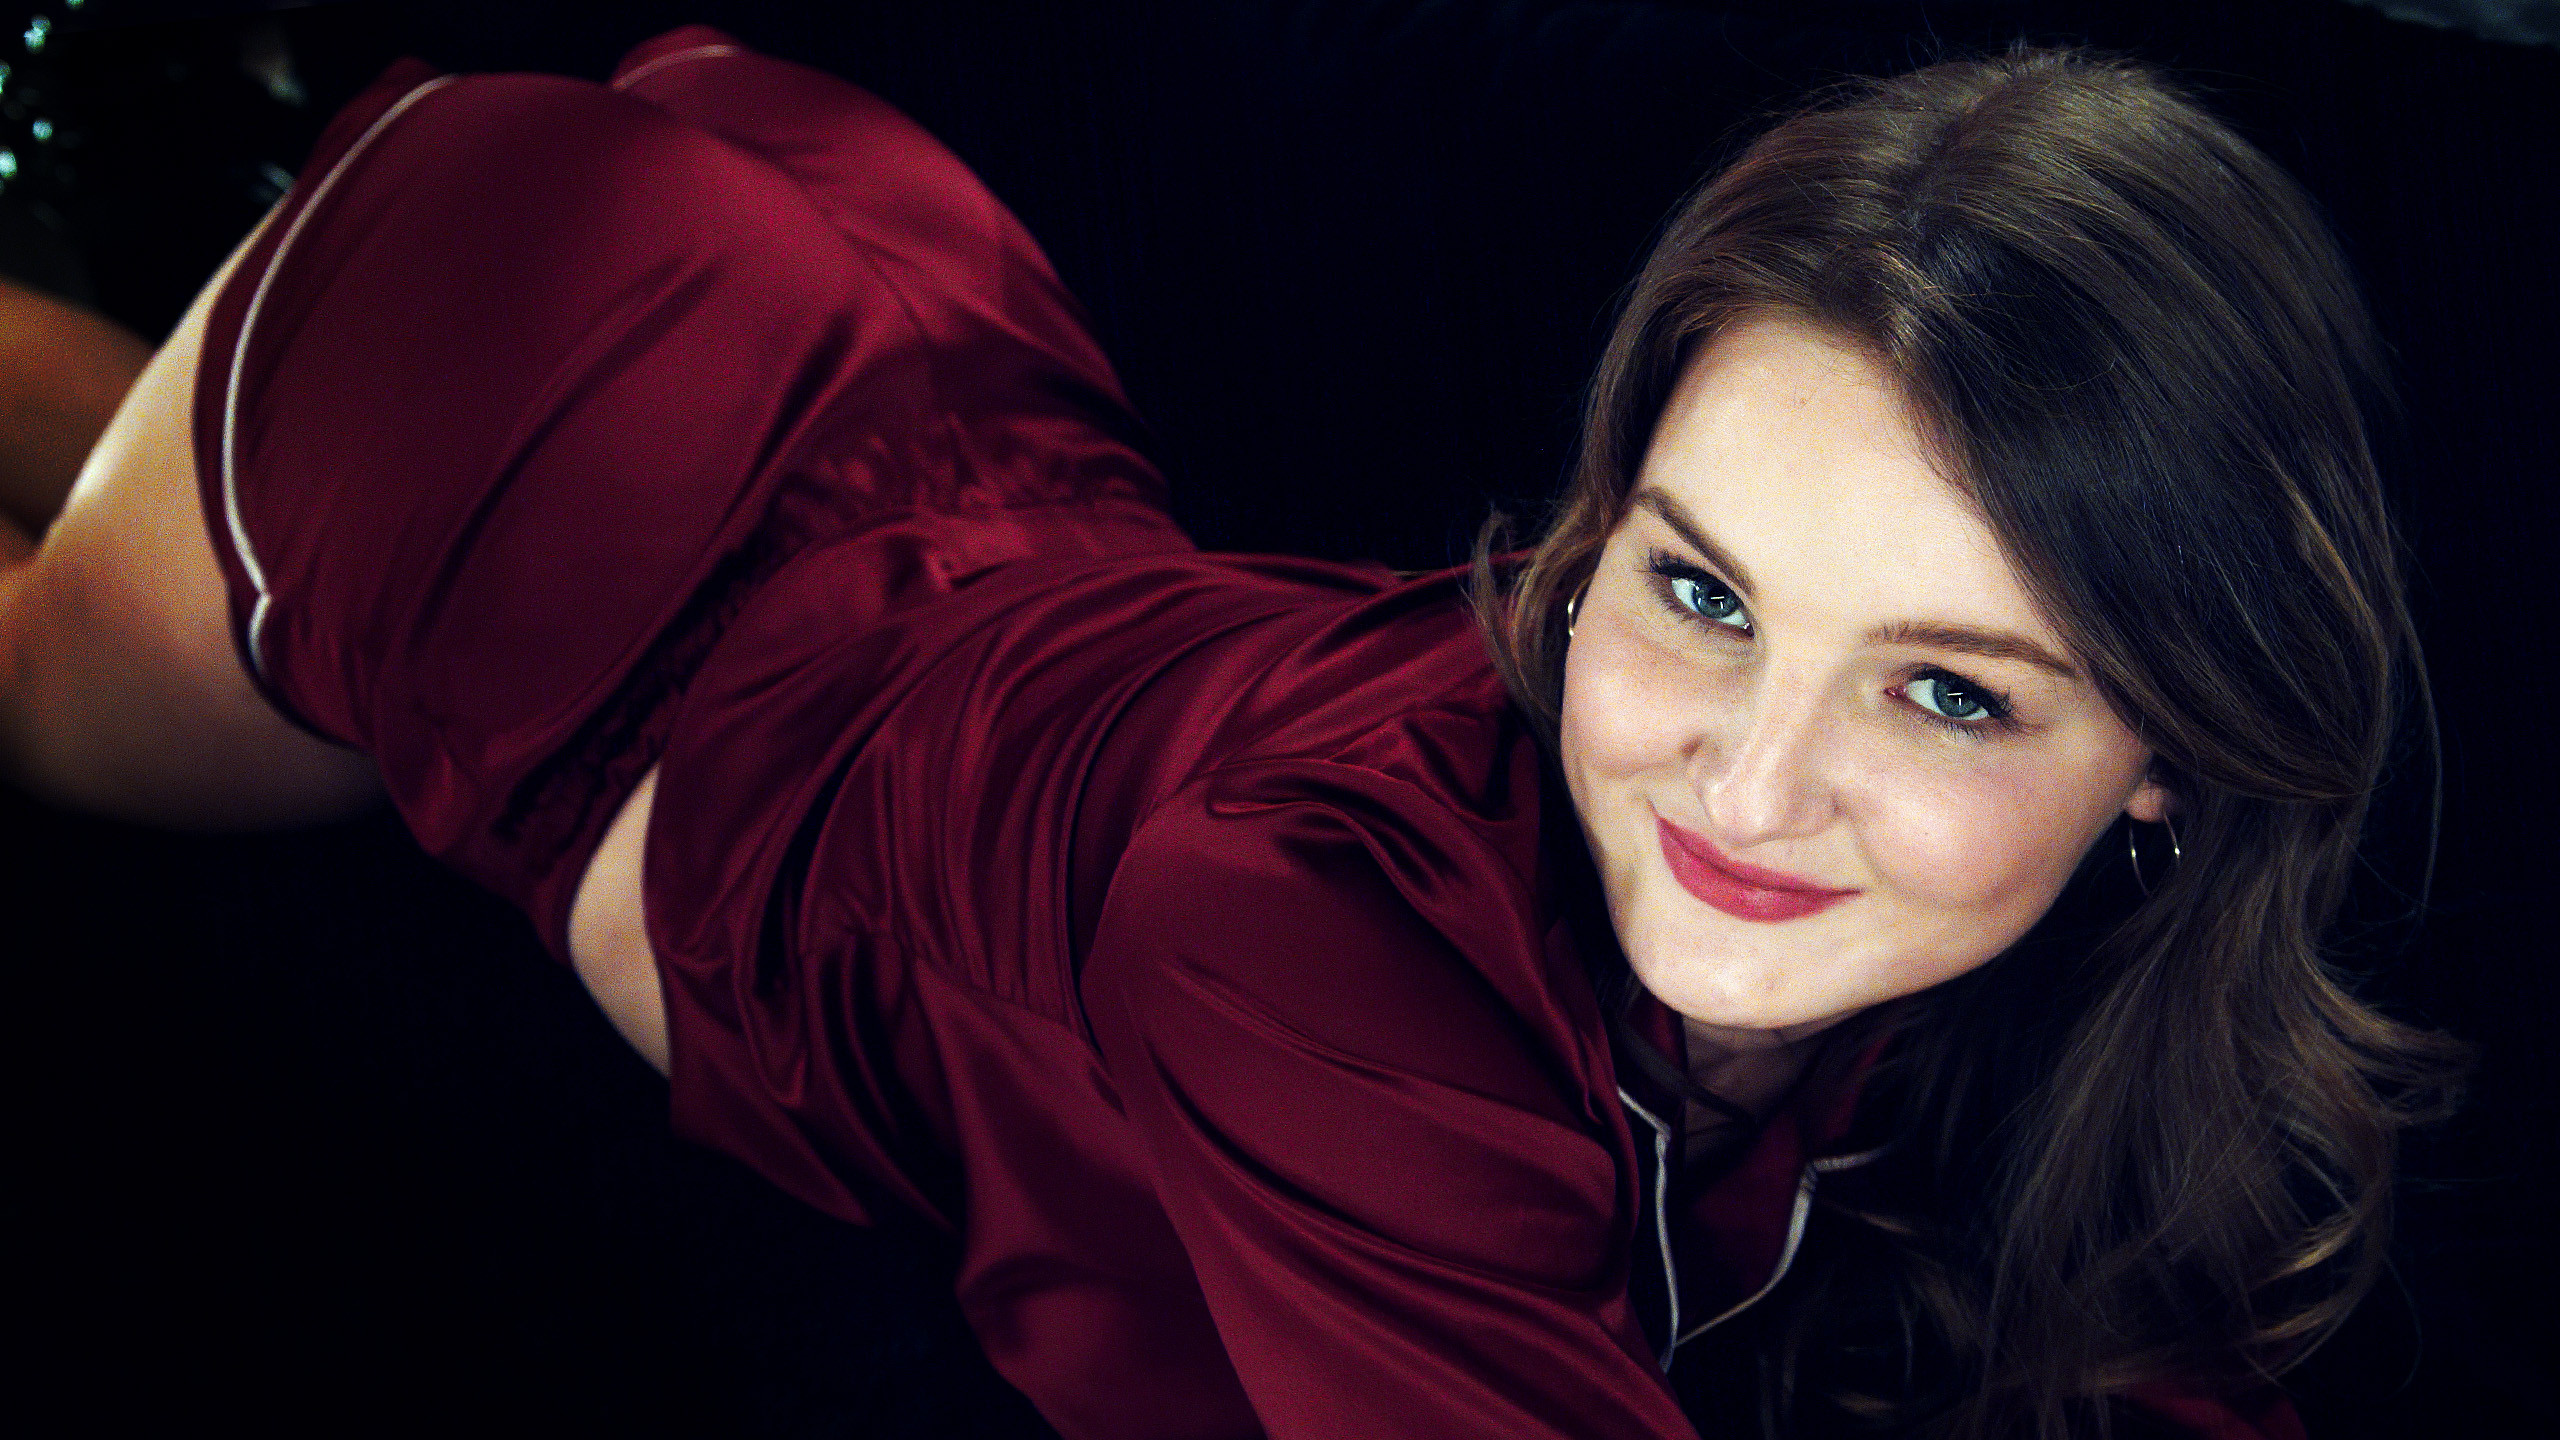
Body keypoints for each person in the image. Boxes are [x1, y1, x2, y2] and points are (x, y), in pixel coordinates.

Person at [0, 24, 2461, 1440]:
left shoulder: (2099, 989)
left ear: (2170, 751)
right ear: (1595, 534)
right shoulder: (1293, 941)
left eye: (1941, 687)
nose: (1739, 784)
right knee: (33, 685)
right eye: (1696, 591)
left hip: (918, 445)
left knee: (127, 517)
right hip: (556, 447)